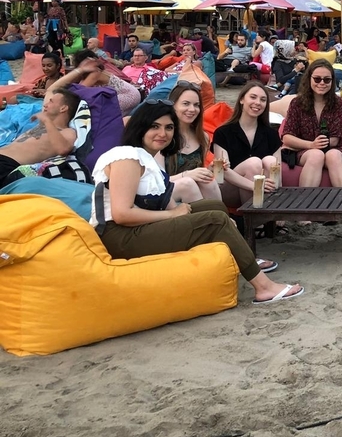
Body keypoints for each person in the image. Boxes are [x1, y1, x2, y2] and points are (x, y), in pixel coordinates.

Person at [90, 100, 301, 304]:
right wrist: (173, 215)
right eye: (154, 126)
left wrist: (185, 215)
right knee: (215, 220)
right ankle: (264, 287)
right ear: (140, 127)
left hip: (137, 229)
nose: (163, 133)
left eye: (169, 127)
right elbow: (122, 214)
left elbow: (166, 203)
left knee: (214, 207)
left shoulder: (148, 159)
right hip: (119, 236)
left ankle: (238, 257)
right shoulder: (127, 157)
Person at [280, 60, 342, 187]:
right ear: (309, 79)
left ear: (332, 81)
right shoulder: (297, 103)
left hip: (332, 149)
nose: (322, 83)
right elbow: (287, 137)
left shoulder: (340, 104)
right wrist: (311, 145)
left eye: (327, 80)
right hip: (304, 149)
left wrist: (320, 144)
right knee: (316, 155)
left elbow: (336, 139)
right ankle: (305, 198)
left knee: (334, 155)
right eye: (317, 79)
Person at [212, 82, 282, 209]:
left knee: (271, 161)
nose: (258, 102)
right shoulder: (223, 132)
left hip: (265, 191)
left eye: (263, 100)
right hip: (230, 188)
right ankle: (252, 217)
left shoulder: (271, 134)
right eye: (253, 97)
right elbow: (222, 172)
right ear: (242, 100)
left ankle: (272, 210)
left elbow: (278, 172)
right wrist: (255, 185)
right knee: (253, 163)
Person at [0, 88, 80, 186]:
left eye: (51, 101)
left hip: (7, 164)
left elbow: (63, 149)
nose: (45, 105)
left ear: (63, 108)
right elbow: (50, 90)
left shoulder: (67, 131)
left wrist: (46, 120)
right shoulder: (40, 126)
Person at [165, 82, 221, 203]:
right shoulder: (163, 136)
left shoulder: (202, 137)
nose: (192, 109)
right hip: (164, 192)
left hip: (193, 193)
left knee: (208, 181)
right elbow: (155, 180)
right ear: (173, 105)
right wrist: (186, 175)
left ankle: (220, 213)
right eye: (186, 104)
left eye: (196, 105)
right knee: (188, 184)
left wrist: (209, 169)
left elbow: (197, 173)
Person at [50, 49, 142, 115]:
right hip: (122, 94)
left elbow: (80, 91)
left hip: (129, 95)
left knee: (100, 109)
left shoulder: (96, 73)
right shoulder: (88, 73)